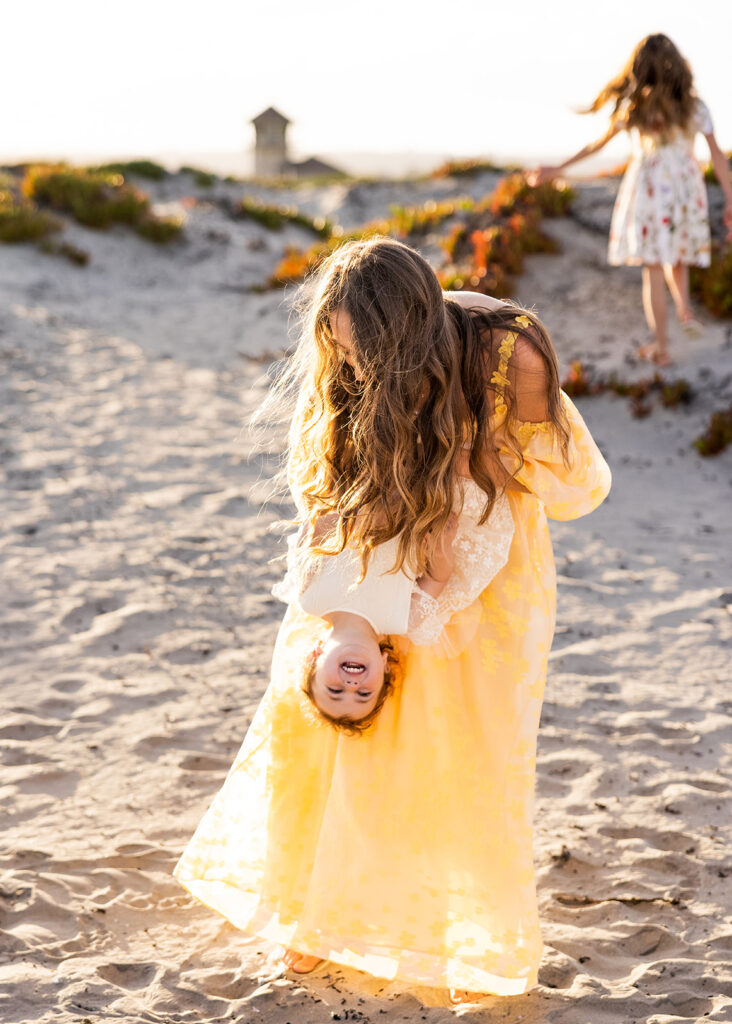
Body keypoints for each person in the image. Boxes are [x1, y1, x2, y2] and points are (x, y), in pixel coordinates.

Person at [174, 237, 611, 1004]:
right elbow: (323, 468)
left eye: (361, 352)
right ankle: (309, 920)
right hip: (365, 553)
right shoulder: (345, 363)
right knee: (319, 729)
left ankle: (431, 927)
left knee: (445, 749)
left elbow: (579, 487)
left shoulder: (510, 356)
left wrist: (485, 460)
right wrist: (340, 573)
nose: (351, 369)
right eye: (338, 351)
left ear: (404, 331)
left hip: (477, 571)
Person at [531, 32, 732, 367]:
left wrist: (558, 169)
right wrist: (729, 197)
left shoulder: (634, 108)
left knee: (652, 267)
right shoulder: (695, 107)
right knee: (676, 257)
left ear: (637, 70)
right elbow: (717, 157)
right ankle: (684, 308)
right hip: (684, 191)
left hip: (650, 191)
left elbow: (596, 146)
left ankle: (662, 347)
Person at [274, 489, 514, 731]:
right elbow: (436, 578)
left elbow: (315, 528)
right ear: (385, 666)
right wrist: (441, 546)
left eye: (335, 690)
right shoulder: (405, 619)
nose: (351, 685)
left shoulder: (311, 599)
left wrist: (361, 512)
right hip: (418, 501)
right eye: (364, 694)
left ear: (315, 655)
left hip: (358, 490)